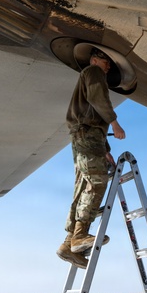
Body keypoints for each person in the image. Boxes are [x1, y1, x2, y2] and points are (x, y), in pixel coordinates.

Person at [56, 48, 126, 268]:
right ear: (96, 59)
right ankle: (80, 236)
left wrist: (104, 148)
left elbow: (93, 114)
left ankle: (69, 245)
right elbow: (97, 97)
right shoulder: (93, 72)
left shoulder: (91, 73)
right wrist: (114, 122)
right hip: (87, 134)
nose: (108, 67)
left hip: (88, 136)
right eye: (106, 62)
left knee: (84, 186)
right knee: (96, 183)